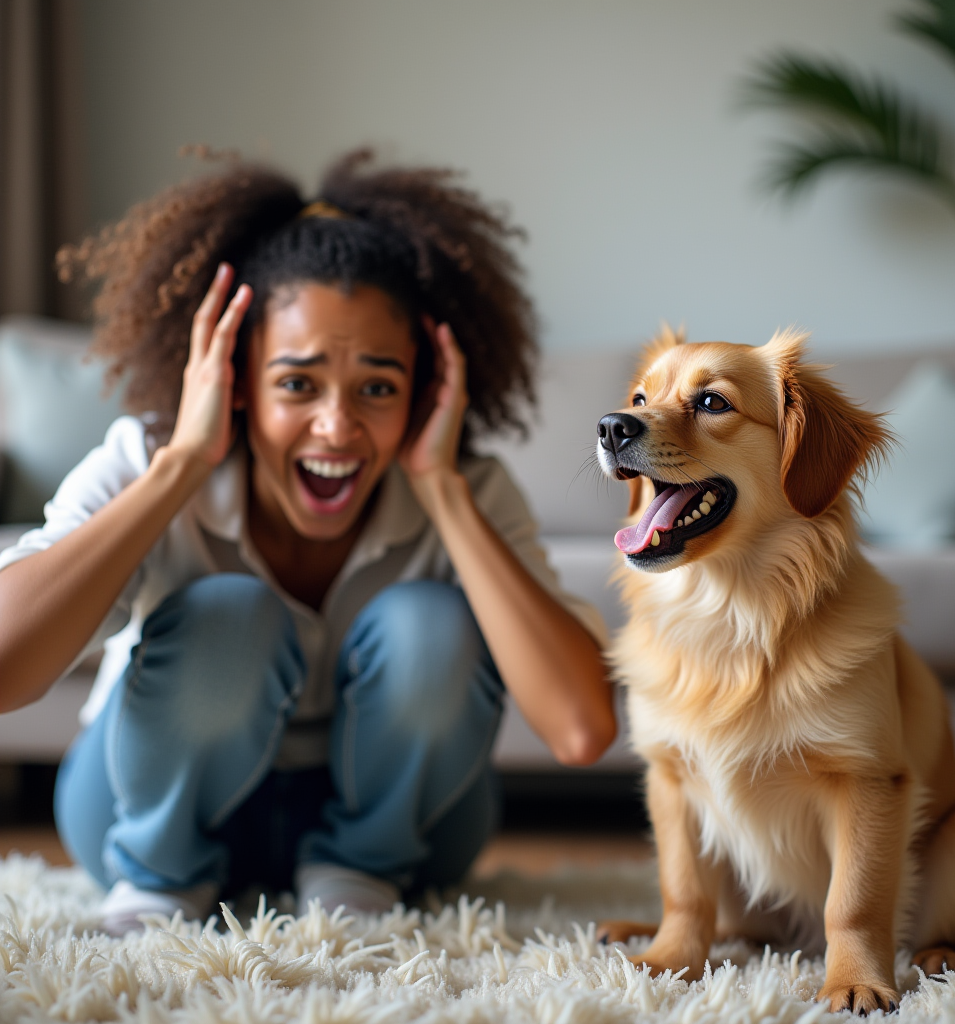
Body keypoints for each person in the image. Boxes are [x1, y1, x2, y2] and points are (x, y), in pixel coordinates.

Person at [0, 150, 615, 933]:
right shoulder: (146, 459)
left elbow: (582, 728)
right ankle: (160, 886)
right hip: (137, 818)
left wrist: (445, 497)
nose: (338, 425)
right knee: (230, 611)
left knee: (432, 621)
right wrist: (181, 468)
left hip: (400, 844)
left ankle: (356, 879)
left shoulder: (470, 490)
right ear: (236, 380)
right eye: (297, 382)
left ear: (423, 391)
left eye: (378, 387)